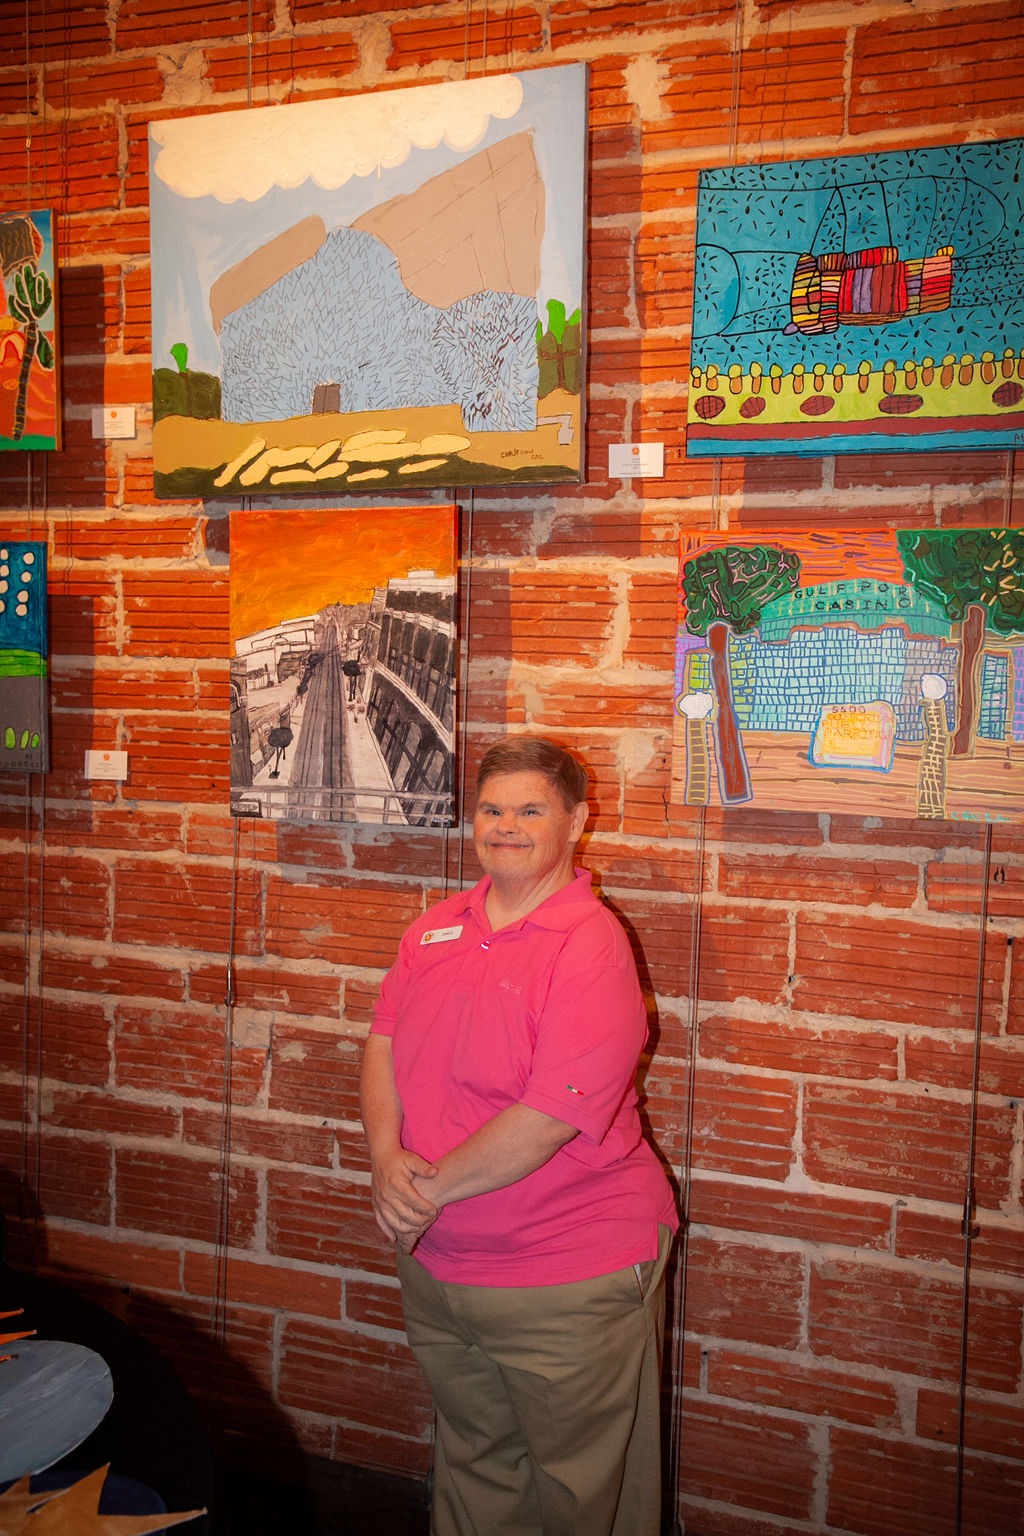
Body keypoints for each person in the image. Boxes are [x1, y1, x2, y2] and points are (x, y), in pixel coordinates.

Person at [360, 736, 679, 1536]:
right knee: (475, 1466)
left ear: (576, 821)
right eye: (492, 809)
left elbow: (551, 1116)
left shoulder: (591, 943)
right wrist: (386, 1160)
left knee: (584, 1496)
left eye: (531, 809)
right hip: (441, 1269)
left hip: (565, 1275)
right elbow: (383, 1043)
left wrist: (417, 1196)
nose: (506, 826)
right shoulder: (435, 928)